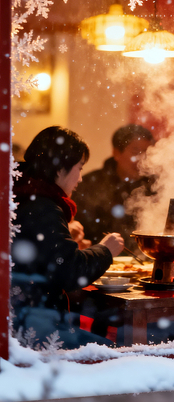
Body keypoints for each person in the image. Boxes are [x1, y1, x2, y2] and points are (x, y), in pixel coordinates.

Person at [11, 126, 124, 349]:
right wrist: (105, 250)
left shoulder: (22, 194)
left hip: (21, 317)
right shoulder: (43, 206)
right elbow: (69, 271)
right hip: (34, 325)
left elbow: (44, 254)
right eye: (79, 168)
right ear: (60, 168)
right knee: (117, 352)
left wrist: (66, 237)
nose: (80, 178)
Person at [74, 124, 155, 249]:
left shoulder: (155, 186)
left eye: (147, 152)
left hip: (146, 259)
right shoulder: (90, 184)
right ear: (116, 153)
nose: (143, 159)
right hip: (99, 259)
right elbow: (80, 228)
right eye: (136, 152)